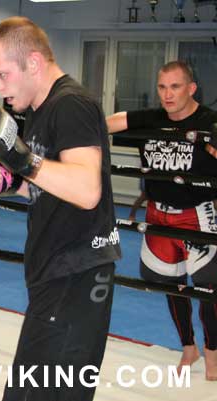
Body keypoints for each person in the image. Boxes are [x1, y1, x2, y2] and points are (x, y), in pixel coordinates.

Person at [0, 17, 121, 401]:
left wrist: (22, 160)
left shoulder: (72, 104)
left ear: (33, 63)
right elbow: (55, 187)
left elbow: (87, 190)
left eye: (2, 75)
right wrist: (14, 183)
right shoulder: (40, 109)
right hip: (55, 276)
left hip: (77, 275)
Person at [106, 60, 217, 380]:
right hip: (157, 215)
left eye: (176, 87)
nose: (167, 95)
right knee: (172, 285)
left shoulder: (210, 122)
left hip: (197, 214)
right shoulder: (152, 118)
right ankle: (188, 347)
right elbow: (112, 122)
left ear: (192, 88)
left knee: (209, 288)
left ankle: (212, 353)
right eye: (162, 87)